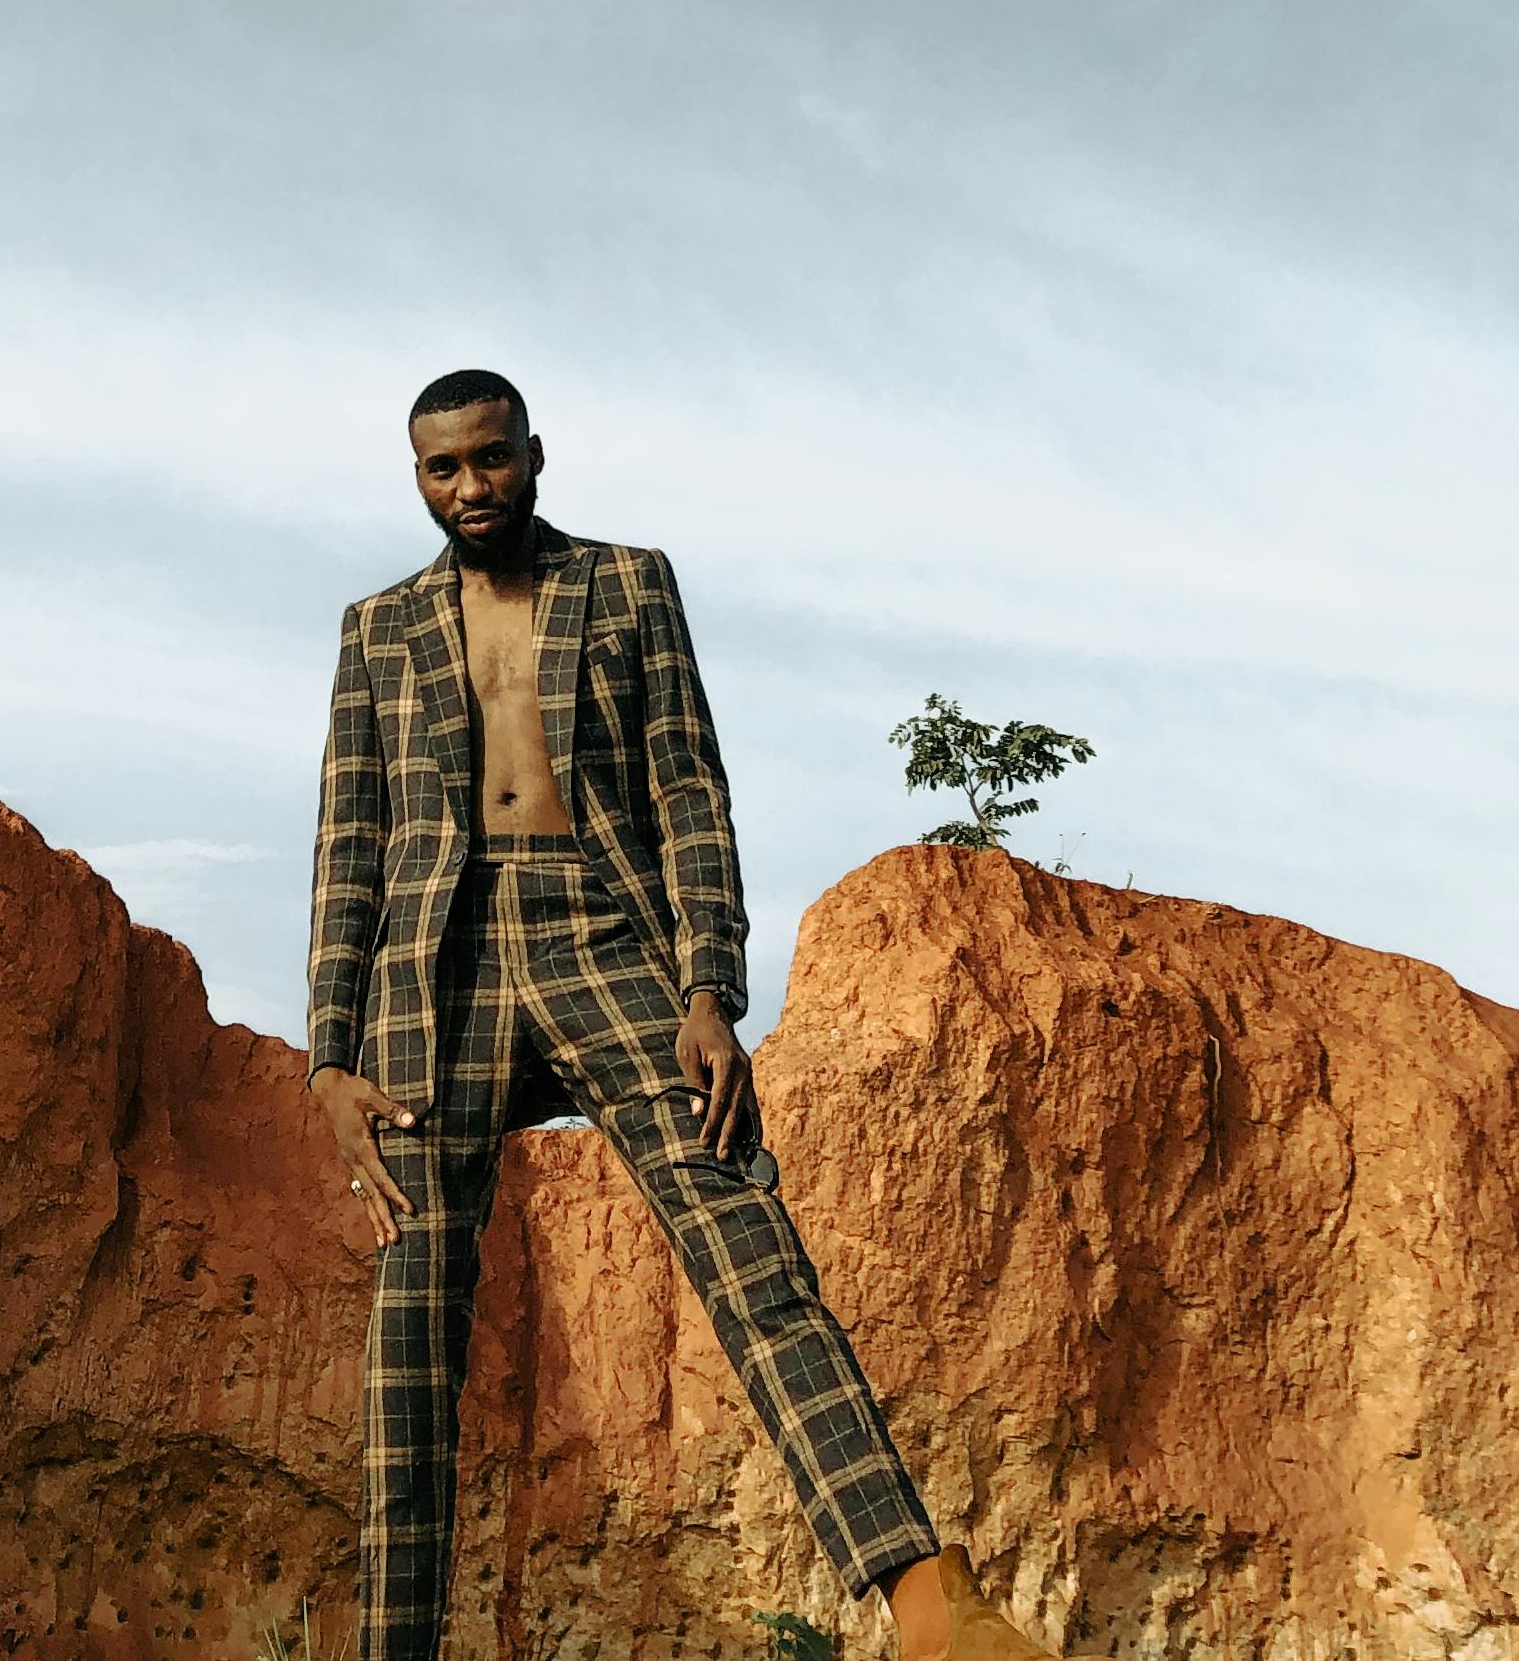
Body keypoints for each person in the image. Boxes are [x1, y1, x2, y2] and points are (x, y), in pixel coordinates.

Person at [309, 369, 1045, 1661]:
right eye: (442, 470)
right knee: (409, 1349)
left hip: (601, 936)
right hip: (436, 981)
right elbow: (350, 845)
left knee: (748, 1243)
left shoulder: (627, 584)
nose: (470, 490)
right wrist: (329, 1056)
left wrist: (709, 988)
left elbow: (687, 792)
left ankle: (931, 1607)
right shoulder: (378, 630)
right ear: (414, 476)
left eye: (490, 460)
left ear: (534, 454)